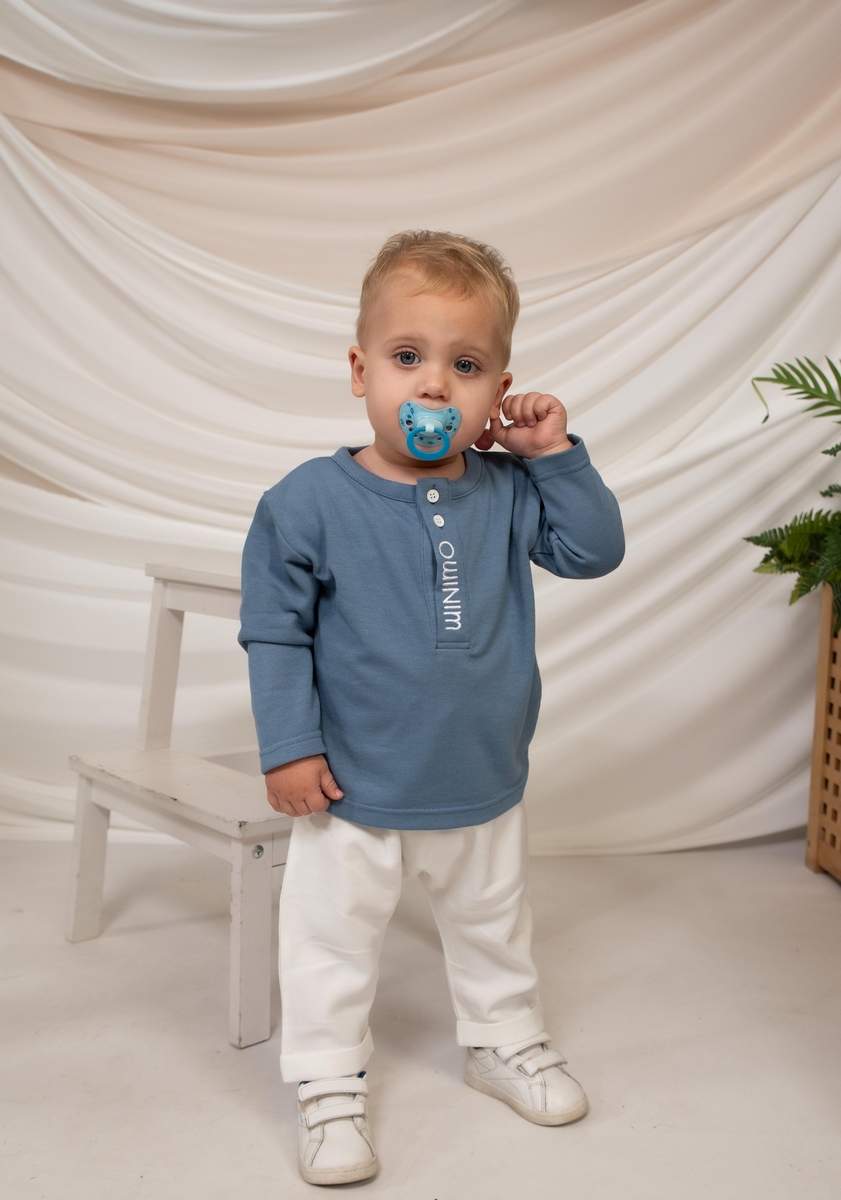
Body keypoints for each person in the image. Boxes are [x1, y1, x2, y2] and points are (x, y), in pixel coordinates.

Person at [239, 230, 624, 1186]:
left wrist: (551, 455)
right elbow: (275, 632)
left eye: (466, 366)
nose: (434, 387)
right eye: (407, 357)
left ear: (498, 392)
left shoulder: (508, 492)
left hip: (480, 774)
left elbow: (593, 552)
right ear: (360, 370)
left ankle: (502, 1039)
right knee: (330, 943)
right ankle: (328, 1082)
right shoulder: (306, 500)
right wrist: (288, 746)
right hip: (352, 788)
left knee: (494, 925)